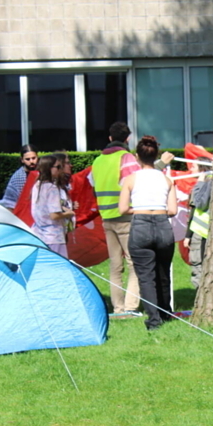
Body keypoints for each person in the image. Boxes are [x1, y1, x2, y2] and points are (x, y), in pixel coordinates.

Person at [118, 136, 177, 332]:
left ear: (137, 157)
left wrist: (140, 209)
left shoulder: (131, 179)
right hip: (163, 226)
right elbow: (173, 210)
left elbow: (123, 208)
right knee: (163, 273)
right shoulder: (167, 180)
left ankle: (153, 320)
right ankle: (165, 312)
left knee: (145, 276)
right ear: (156, 156)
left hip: (141, 226)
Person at [91, 122, 143, 316]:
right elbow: (138, 182)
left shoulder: (97, 161)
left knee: (115, 266)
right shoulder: (126, 157)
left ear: (110, 138)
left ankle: (118, 308)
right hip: (125, 217)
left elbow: (92, 184)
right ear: (127, 139)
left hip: (106, 218)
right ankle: (130, 307)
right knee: (134, 264)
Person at [30, 152, 76, 258]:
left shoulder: (37, 185)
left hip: (39, 235)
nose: (60, 169)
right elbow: (54, 215)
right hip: (54, 236)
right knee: (59, 268)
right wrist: (69, 213)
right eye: (58, 167)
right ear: (49, 168)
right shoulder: (52, 188)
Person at [0, 144, 39, 212]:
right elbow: (9, 202)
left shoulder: (43, 172)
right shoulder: (17, 178)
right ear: (22, 160)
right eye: (27, 159)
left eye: (33, 158)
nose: (31, 161)